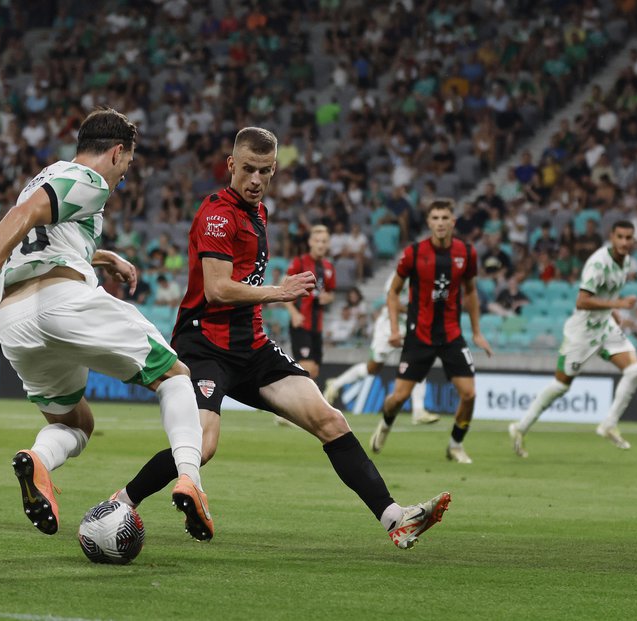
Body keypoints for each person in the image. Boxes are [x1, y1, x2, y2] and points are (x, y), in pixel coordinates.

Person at [111, 127, 451, 549]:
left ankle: (394, 519)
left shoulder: (259, 212)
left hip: (251, 346)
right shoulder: (218, 212)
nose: (255, 179)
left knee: (331, 421)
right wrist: (279, 291)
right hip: (206, 344)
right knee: (201, 445)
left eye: (265, 172)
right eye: (248, 169)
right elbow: (217, 289)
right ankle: (122, 502)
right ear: (231, 165)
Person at [0, 109, 212, 541]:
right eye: (128, 167)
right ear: (117, 153)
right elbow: (24, 215)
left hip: (17, 322)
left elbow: (40, 231)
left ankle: (38, 460)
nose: (123, 178)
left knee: (75, 424)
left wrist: (103, 256)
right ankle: (190, 477)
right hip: (61, 301)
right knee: (175, 377)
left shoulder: (47, 177)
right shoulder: (89, 180)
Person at [370, 200, 493, 464]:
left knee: (469, 394)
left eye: (445, 217)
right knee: (398, 398)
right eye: (435, 217)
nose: (440, 222)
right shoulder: (414, 253)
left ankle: (455, 445)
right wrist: (394, 328)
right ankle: (386, 422)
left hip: (451, 334)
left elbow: (470, 292)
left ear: (453, 222)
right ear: (428, 222)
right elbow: (393, 292)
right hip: (419, 335)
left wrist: (477, 331)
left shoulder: (466, 253)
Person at [509, 221, 637, 456]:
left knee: (636, 370)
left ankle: (608, 424)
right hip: (582, 331)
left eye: (629, 238)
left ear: (633, 240)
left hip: (604, 326)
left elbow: (606, 292)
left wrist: (613, 311)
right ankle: (519, 427)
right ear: (611, 236)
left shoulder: (625, 262)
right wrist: (618, 304)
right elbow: (581, 301)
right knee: (562, 385)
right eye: (620, 237)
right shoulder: (598, 263)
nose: (624, 242)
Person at [323, 273, 440, 425]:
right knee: (373, 368)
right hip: (388, 326)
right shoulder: (399, 275)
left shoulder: (427, 277)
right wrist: (415, 314)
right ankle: (336, 383)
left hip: (410, 326)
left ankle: (418, 410)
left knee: (419, 361)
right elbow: (392, 302)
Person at [283, 224, 335, 379]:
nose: (321, 245)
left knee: (315, 371)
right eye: (318, 241)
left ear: (328, 244)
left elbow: (331, 293)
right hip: (301, 323)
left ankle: (296, 401)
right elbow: (284, 288)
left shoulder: (329, 267)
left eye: (324, 241)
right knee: (308, 369)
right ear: (310, 242)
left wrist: (328, 298)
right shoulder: (300, 262)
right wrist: (293, 314)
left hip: (317, 326)